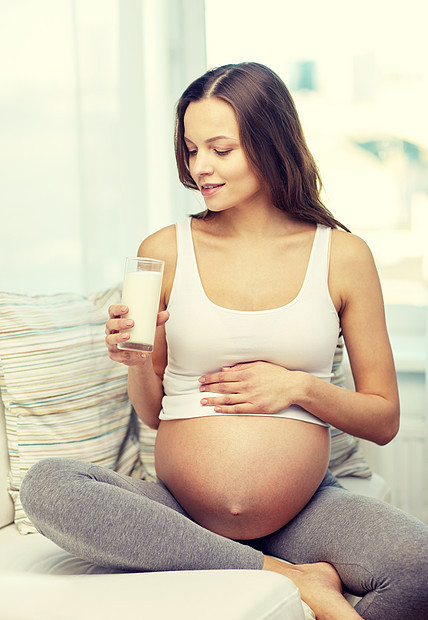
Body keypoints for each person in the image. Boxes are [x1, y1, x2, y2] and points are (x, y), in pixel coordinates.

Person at [21, 62, 428, 619]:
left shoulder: (343, 256)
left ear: (269, 144)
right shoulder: (164, 250)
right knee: (49, 486)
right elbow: (155, 415)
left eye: (220, 149)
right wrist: (133, 360)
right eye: (191, 150)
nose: (200, 168)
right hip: (178, 512)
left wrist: (297, 388)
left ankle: (260, 563)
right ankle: (289, 577)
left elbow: (383, 420)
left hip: (303, 514)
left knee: (420, 567)